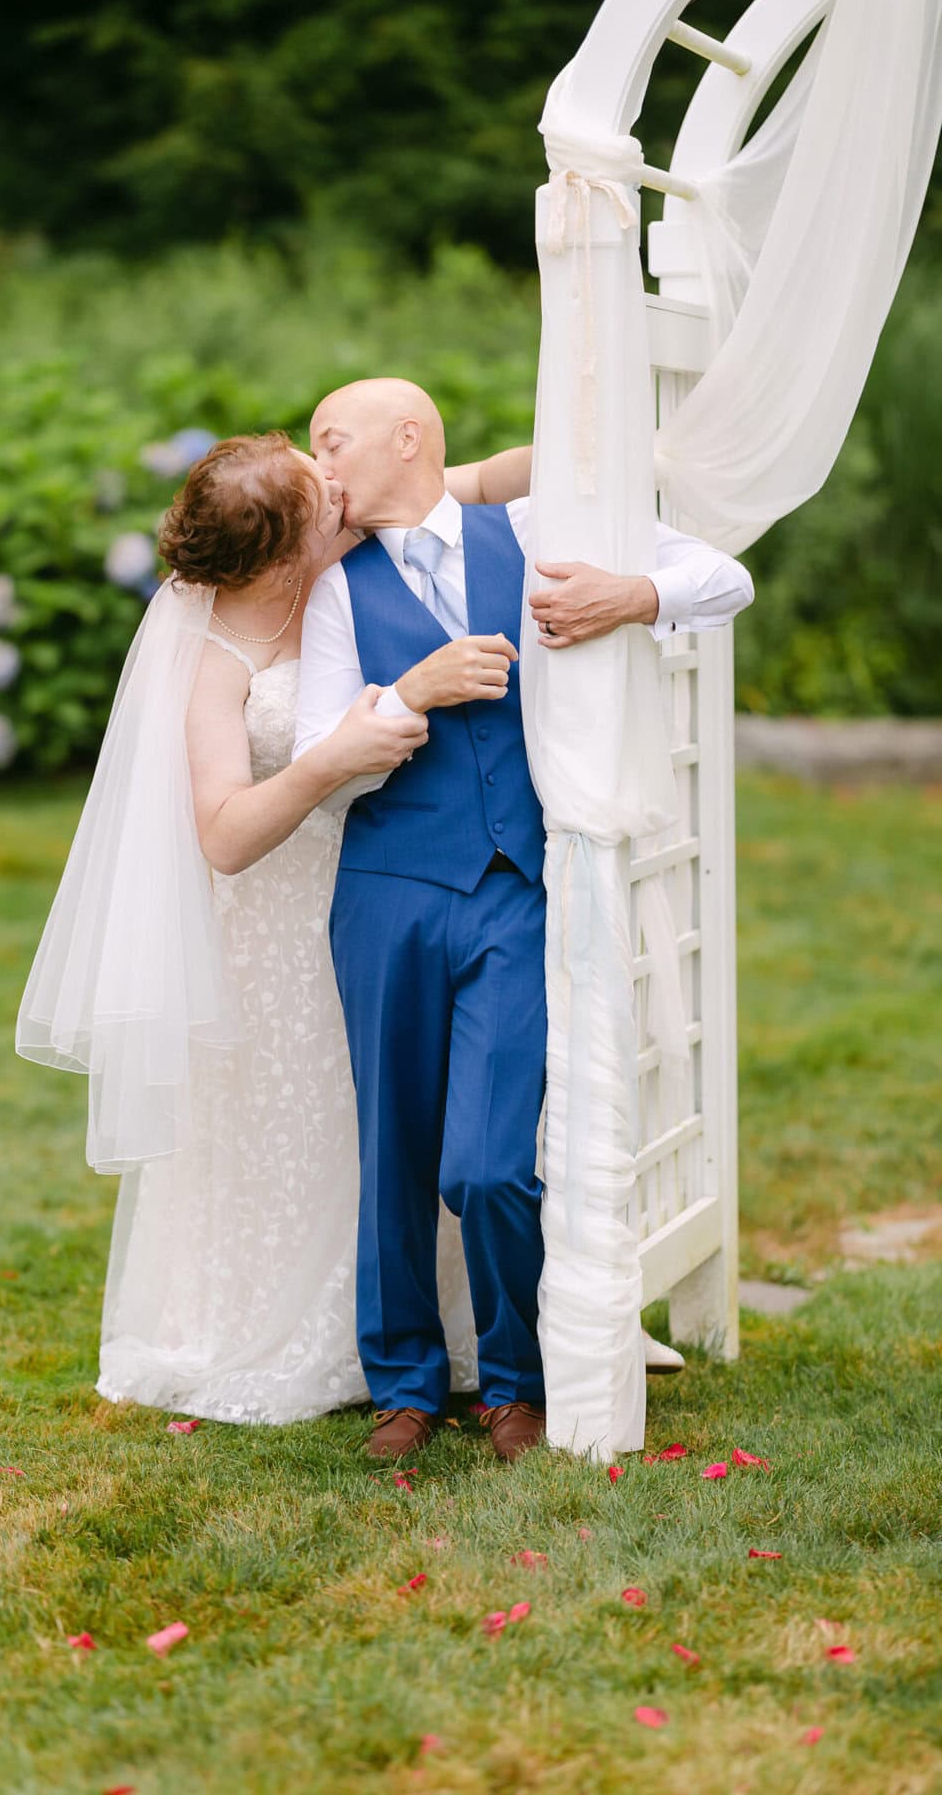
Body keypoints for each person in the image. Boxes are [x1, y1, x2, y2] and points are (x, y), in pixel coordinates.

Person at [18, 431, 529, 1422]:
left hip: (399, 884)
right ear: (283, 554)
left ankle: (460, 1331)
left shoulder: (350, 527)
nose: (341, 489)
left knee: (419, 1104)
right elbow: (222, 834)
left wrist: (589, 436)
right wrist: (334, 758)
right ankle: (328, 1337)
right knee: (313, 1120)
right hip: (277, 927)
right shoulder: (211, 649)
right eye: (320, 497)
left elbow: (482, 478)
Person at [294, 378, 753, 1460]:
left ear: (408, 438)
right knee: (392, 1148)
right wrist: (412, 692)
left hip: (516, 888)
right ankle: (404, 1384)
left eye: (332, 439)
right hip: (388, 894)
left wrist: (632, 597)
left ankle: (515, 1379)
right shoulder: (331, 588)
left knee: (489, 1165)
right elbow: (320, 757)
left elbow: (720, 577)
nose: (321, 465)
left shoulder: (539, 527)